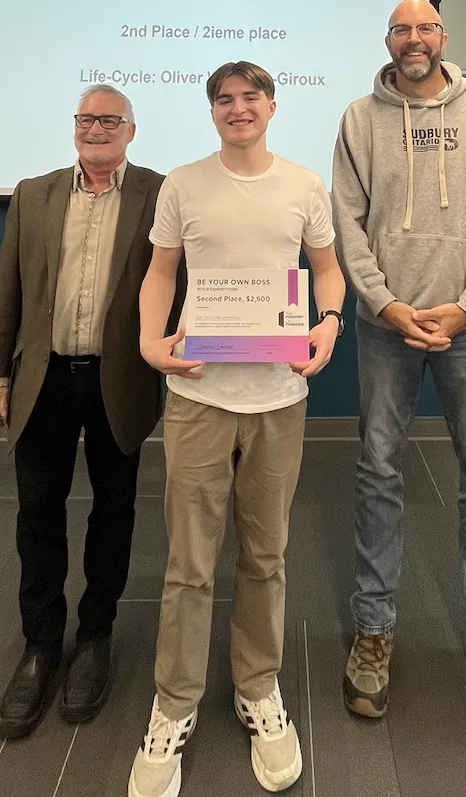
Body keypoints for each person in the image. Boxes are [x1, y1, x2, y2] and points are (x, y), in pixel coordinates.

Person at [128, 61, 346, 797]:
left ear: (273, 107)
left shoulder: (303, 185)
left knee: (266, 556)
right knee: (189, 562)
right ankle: (174, 703)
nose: (238, 108)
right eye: (224, 99)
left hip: (279, 399)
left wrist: (329, 322)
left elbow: (327, 270)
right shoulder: (183, 184)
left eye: (251, 97)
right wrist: (149, 340)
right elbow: (162, 272)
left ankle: (258, 687)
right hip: (197, 395)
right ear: (212, 111)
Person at [332, 0, 466, 735]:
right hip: (385, 327)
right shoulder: (359, 119)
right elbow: (346, 222)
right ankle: (373, 631)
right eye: (401, 30)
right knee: (378, 472)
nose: (413, 39)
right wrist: (385, 303)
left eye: (425, 28)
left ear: (443, 37)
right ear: (387, 41)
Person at [0, 86, 177, 739]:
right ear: (74, 127)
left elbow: (181, 283)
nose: (97, 128)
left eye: (110, 120)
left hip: (121, 380)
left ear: (131, 131)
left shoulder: (159, 193)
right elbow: (7, 287)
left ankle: (94, 637)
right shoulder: (33, 194)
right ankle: (40, 645)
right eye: (87, 118)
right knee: (37, 513)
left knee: (114, 512)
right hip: (43, 379)